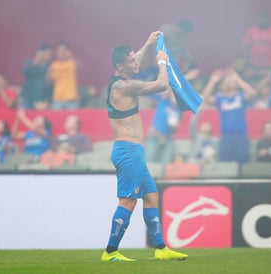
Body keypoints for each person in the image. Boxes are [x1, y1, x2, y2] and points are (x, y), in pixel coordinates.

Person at [101, 31, 187, 262]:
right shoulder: (123, 86)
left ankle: (160, 248)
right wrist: (162, 61)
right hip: (128, 151)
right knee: (127, 200)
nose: (136, 62)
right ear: (120, 66)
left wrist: (148, 44)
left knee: (150, 196)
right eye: (131, 61)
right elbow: (161, 84)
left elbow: (134, 60)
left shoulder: (122, 76)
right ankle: (110, 252)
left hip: (134, 151)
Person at [203, 69, 257, 165]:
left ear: (236, 84)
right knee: (225, 165)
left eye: (230, 81)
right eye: (226, 81)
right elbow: (206, 97)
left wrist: (238, 79)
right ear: (222, 85)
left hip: (241, 136)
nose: (228, 82)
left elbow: (252, 94)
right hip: (226, 137)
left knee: (243, 165)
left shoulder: (240, 96)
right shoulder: (220, 98)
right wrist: (212, 81)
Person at [145, 90, 181, 164]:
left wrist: (173, 127)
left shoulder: (178, 110)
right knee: (150, 162)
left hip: (167, 139)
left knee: (166, 164)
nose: (175, 97)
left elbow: (174, 130)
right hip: (154, 137)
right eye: (174, 95)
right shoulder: (164, 101)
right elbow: (169, 89)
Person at [21, 44, 53, 109]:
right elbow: (25, 72)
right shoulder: (30, 63)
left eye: (51, 53)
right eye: (48, 52)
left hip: (41, 101)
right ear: (41, 53)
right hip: (28, 99)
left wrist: (48, 100)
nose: (50, 54)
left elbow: (50, 87)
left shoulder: (49, 67)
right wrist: (37, 60)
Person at [48, 43, 79, 109]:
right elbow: (49, 82)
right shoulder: (54, 65)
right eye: (59, 51)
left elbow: (81, 68)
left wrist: (71, 56)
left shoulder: (72, 62)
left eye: (63, 51)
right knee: (55, 118)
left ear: (67, 52)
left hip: (71, 98)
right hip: (58, 98)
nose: (61, 53)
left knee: (72, 118)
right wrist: (49, 72)